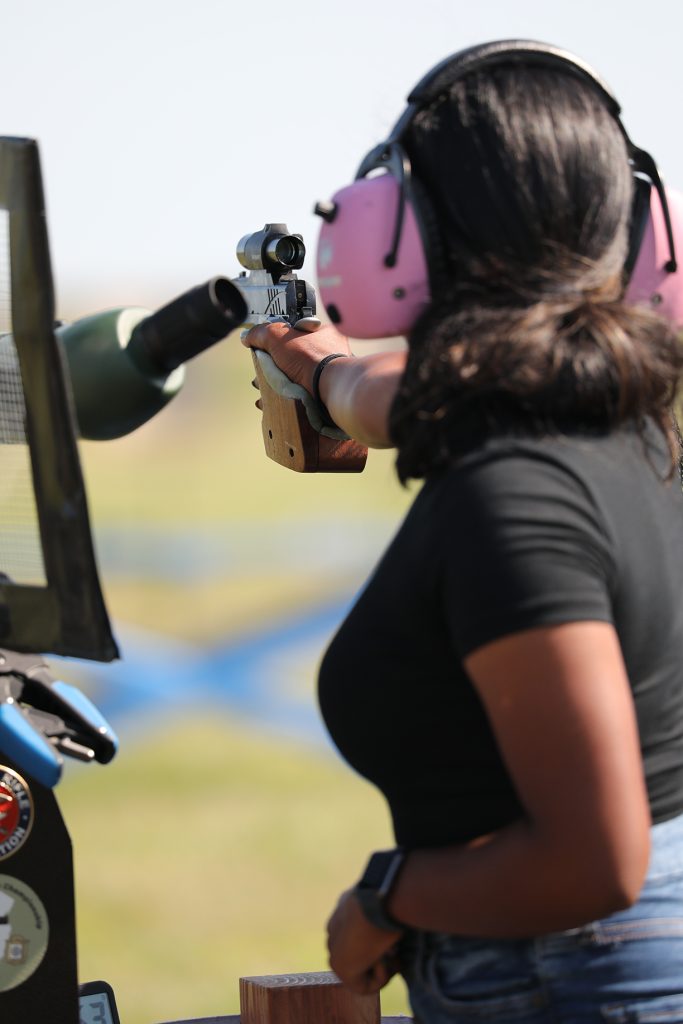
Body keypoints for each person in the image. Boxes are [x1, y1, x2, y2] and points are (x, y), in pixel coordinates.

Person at [244, 40, 683, 1024]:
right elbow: (397, 397)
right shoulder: (618, 424)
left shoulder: (511, 494)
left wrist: (386, 897)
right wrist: (319, 369)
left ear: (395, 231)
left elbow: (592, 860)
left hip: (558, 977)